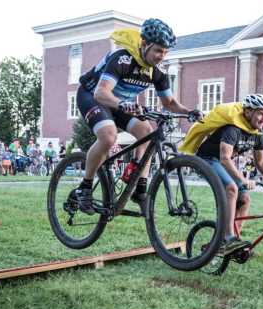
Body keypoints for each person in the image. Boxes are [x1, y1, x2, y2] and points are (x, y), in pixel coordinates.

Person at [74, 18, 202, 213]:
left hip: (119, 104)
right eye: (158, 50)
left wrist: (188, 112)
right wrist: (123, 104)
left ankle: (139, 186)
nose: (162, 56)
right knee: (109, 137)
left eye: (166, 52)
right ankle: (85, 188)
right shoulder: (121, 58)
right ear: (144, 44)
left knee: (147, 132)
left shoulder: (157, 71)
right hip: (93, 96)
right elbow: (101, 93)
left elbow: (169, 103)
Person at [183, 94, 263, 255]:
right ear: (249, 112)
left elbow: (261, 163)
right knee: (231, 188)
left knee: (244, 198)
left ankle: (234, 240)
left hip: (222, 161)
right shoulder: (233, 129)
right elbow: (224, 158)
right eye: (260, 113)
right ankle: (228, 238)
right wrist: (242, 179)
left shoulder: (258, 134)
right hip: (207, 158)